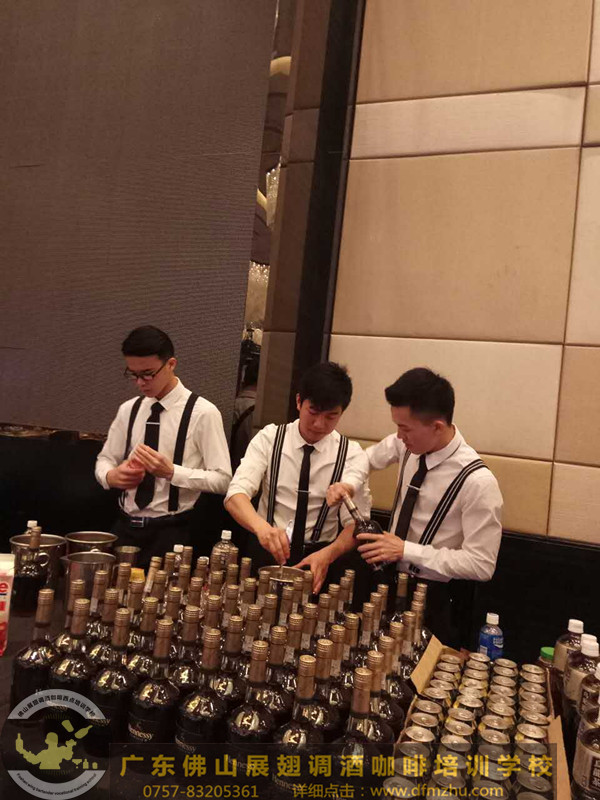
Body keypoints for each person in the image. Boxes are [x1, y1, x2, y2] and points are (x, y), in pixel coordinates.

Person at [326, 367, 503, 646]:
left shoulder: (478, 482)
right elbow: (366, 459)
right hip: (386, 583)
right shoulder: (408, 445)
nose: (398, 436)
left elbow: (481, 564)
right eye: (397, 426)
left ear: (437, 427)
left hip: (435, 599)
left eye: (405, 428)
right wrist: (349, 483)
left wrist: (406, 550)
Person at [224, 362, 370, 590]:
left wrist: (330, 554)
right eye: (313, 412)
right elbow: (236, 495)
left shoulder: (351, 454)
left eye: (331, 416)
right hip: (266, 550)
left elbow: (357, 524)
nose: (319, 424)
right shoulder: (270, 438)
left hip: (320, 558)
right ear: (299, 401)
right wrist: (262, 528)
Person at [95, 326, 232, 567]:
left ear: (171, 364)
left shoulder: (203, 413)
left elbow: (223, 480)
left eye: (148, 374)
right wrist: (111, 476)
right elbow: (105, 459)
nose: (140, 383)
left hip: (174, 532)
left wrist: (172, 472)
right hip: (125, 528)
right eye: (133, 374)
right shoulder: (129, 409)